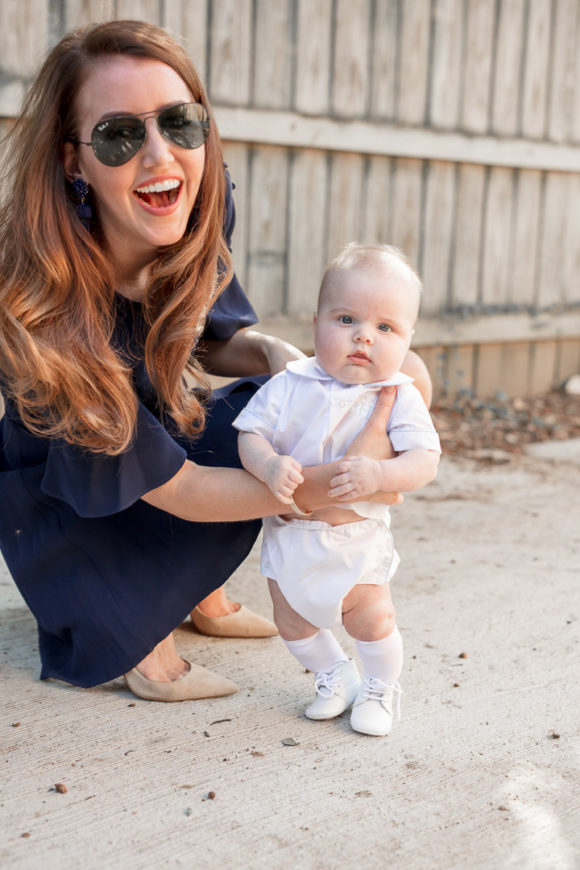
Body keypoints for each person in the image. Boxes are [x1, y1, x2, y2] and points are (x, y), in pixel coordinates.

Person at [0, 20, 430, 704]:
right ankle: (132, 624)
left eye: (179, 123)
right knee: (257, 453)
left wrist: (285, 361)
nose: (160, 156)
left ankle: (195, 590)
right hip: (73, 486)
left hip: (159, 423)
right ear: (73, 161)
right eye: (119, 135)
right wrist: (338, 484)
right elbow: (183, 489)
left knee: (306, 392)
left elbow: (207, 337)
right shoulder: (43, 314)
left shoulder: (194, 203)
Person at [234, 244, 441, 735]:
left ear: (408, 339)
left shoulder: (397, 394)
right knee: (293, 623)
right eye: (346, 319)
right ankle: (334, 676)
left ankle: (379, 688)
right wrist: (267, 465)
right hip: (289, 536)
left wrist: (381, 476)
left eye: (385, 328)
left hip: (354, 541)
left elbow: (424, 460)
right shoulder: (290, 382)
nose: (363, 336)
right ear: (316, 324)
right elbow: (250, 433)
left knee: (370, 618)